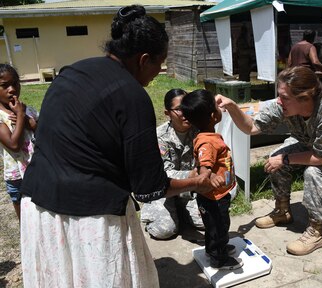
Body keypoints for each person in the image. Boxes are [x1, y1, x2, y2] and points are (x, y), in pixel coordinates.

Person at [19, 5, 214, 287]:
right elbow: (149, 188)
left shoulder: (74, 71)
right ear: (144, 59)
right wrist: (196, 182)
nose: (158, 72)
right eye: (159, 64)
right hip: (89, 219)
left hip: (39, 205)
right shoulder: (132, 97)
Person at [216, 66, 322, 256]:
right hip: (314, 148)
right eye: (279, 95)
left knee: (312, 171)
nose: (279, 101)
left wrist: (286, 159)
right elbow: (252, 127)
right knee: (277, 158)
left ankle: (317, 230)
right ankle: (283, 211)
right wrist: (231, 106)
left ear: (305, 98)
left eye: (285, 97)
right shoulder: (285, 104)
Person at [181, 89, 243, 270]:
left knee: (214, 226)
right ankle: (219, 258)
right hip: (213, 197)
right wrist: (211, 176)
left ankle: (214, 249)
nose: (219, 106)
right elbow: (204, 167)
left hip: (217, 194)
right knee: (219, 227)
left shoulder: (207, 135)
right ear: (213, 116)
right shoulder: (207, 142)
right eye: (216, 106)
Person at [141, 88, 204, 239]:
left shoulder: (199, 131)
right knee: (165, 231)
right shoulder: (158, 137)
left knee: (206, 221)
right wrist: (192, 174)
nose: (186, 113)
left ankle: (180, 210)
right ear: (167, 113)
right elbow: (164, 174)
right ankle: (154, 209)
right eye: (179, 109)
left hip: (189, 189)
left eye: (188, 107)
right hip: (164, 191)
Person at [0, 64, 38, 220]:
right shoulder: (2, 117)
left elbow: (45, 133)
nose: (12, 89)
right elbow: (14, 145)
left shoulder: (29, 111)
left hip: (37, 168)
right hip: (17, 176)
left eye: (15, 83)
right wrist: (21, 117)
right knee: (24, 212)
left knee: (40, 209)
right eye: (4, 86)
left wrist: (33, 124)